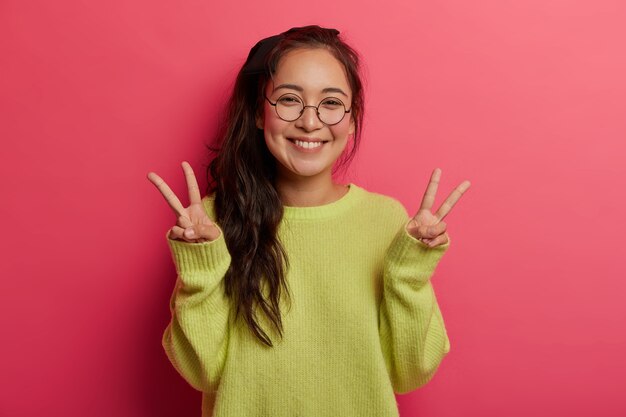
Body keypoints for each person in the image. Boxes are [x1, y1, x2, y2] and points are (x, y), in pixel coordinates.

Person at [147, 25, 470, 417]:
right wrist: (200, 267)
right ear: (258, 114)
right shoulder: (213, 223)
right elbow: (201, 372)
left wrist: (409, 272)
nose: (310, 122)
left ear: (352, 120)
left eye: (331, 103)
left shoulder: (387, 221)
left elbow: (410, 372)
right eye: (289, 100)